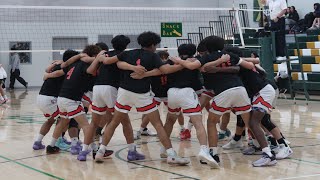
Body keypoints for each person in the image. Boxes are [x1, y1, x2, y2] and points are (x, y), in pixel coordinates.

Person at [94, 31, 189, 165]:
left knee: (114, 122)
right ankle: (171, 155)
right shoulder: (153, 56)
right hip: (141, 94)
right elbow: (165, 70)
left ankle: (100, 152)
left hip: (124, 91)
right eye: (156, 45)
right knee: (158, 124)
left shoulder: (128, 52)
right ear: (152, 44)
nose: (156, 47)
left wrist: (130, 66)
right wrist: (182, 64)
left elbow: (115, 63)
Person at [45, 45, 101, 162]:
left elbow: (64, 65)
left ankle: (51, 146)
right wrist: (97, 60)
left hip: (62, 98)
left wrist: (80, 56)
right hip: (72, 99)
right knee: (86, 125)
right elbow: (91, 70)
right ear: (94, 55)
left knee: (63, 121)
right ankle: (94, 149)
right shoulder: (87, 65)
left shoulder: (73, 63)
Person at [32, 50, 80, 151]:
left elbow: (49, 69)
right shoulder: (65, 68)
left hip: (41, 97)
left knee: (51, 120)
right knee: (65, 119)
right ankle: (58, 142)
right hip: (50, 99)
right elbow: (60, 73)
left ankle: (37, 142)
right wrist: (48, 75)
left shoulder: (56, 65)